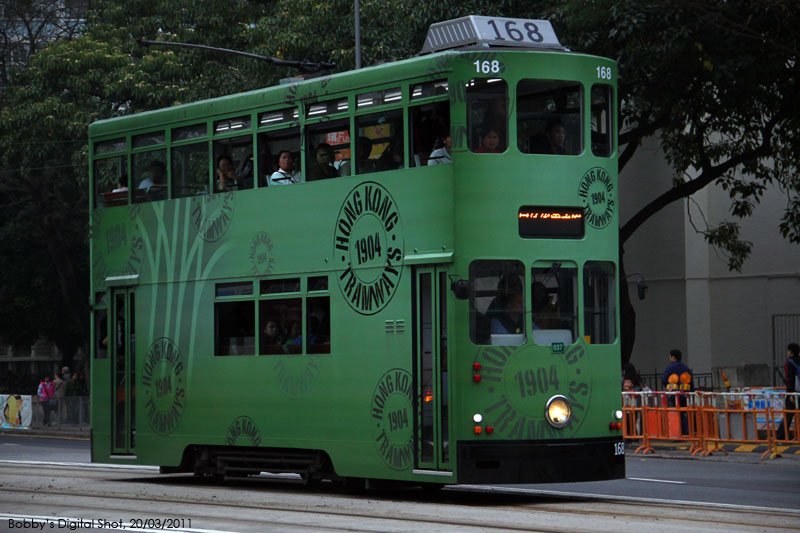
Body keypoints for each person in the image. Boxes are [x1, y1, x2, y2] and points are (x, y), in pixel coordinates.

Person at [662, 349, 693, 434]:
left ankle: (677, 433)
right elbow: (691, 382)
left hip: (674, 394)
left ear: (673, 357)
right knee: (683, 413)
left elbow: (664, 380)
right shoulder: (686, 368)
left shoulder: (669, 369)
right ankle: (685, 433)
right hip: (685, 394)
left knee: (675, 413)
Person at [777, 342, 800, 441]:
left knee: (788, 415)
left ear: (790, 351)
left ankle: (780, 438)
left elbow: (790, 379)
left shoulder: (789, 362)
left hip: (794, 394)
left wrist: (790, 393)